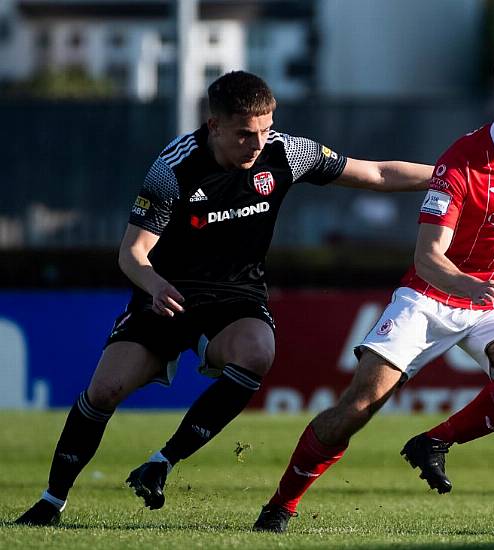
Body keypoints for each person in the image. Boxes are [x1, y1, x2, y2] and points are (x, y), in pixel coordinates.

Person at [15, 70, 433, 526]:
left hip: (236, 295)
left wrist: (449, 178)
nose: (257, 144)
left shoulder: (288, 153)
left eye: (265, 130)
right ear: (214, 126)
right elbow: (132, 253)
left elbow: (374, 172)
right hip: (167, 293)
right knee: (104, 391)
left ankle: (161, 462)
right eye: (244, 134)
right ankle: (50, 502)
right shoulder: (173, 167)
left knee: (258, 353)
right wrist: (154, 286)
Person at [253, 44, 494, 533]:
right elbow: (427, 259)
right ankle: (281, 504)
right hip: (431, 297)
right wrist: (468, 285)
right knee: (359, 406)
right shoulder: (461, 164)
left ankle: (435, 442)